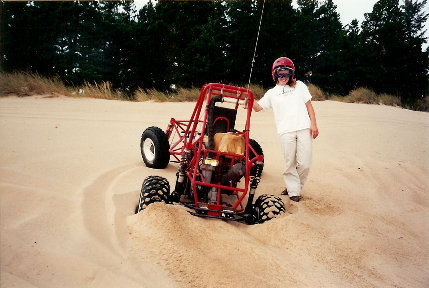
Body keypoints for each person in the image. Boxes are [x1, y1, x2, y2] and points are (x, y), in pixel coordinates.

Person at [252, 57, 319, 202]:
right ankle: (294, 192)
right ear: (274, 74)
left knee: (305, 163)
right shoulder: (272, 93)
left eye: (286, 74)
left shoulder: (300, 85)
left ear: (291, 73)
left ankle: (293, 187)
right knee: (290, 162)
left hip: (304, 128)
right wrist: (249, 99)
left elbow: (309, 106)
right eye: (280, 74)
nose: (283, 77)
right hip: (285, 131)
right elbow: (258, 108)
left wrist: (313, 124)